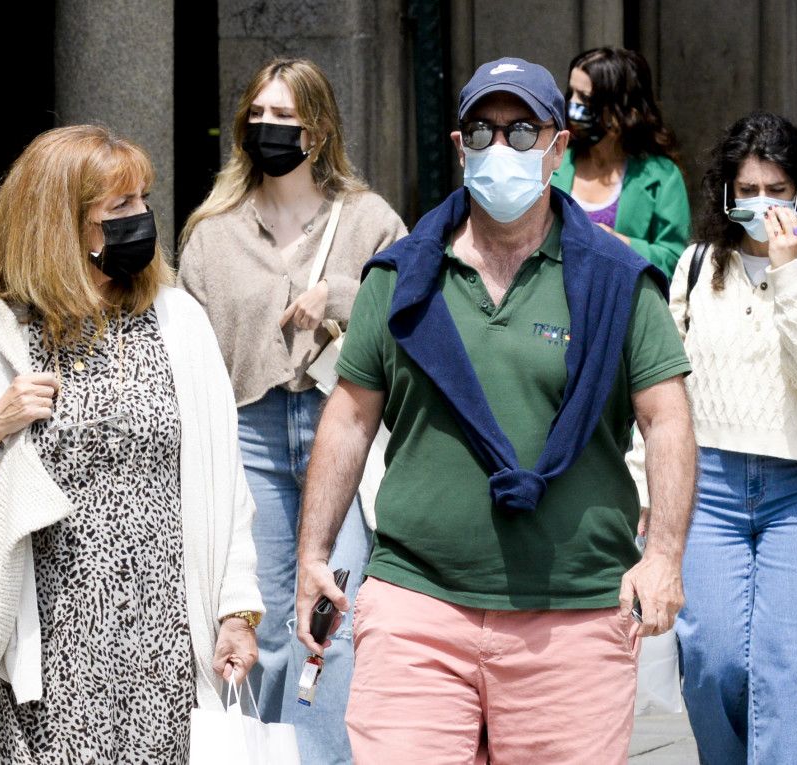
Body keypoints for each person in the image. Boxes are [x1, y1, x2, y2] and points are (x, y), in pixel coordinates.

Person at [293, 57, 695, 763]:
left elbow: (667, 417)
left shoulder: (616, 281)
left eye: (521, 131)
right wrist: (312, 556)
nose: (500, 148)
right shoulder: (402, 276)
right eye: (482, 130)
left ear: (558, 147)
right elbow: (350, 417)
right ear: (458, 146)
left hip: (571, 615)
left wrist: (662, 557)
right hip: (418, 605)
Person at [0, 125, 262, 763]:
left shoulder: (178, 320)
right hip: (56, 632)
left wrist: (235, 609)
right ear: (59, 223)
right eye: (118, 207)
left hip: (168, 634)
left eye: (143, 200)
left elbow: (225, 482)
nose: (140, 218)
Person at [177, 57, 406, 763]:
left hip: (340, 427)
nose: (270, 129)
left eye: (287, 118)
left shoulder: (369, 219)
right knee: (266, 624)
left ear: (319, 129)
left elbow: (412, 310)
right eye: (260, 116)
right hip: (249, 434)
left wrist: (338, 295)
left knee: (332, 616)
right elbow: (189, 349)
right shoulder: (212, 233)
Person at [668, 111, 797, 764]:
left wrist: (788, 271)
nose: (761, 204)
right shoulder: (695, 268)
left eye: (776, 189)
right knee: (712, 659)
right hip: (709, 487)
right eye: (747, 190)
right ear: (726, 193)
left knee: (787, 671)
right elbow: (664, 391)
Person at [550, 46, 691, 278]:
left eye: (585, 98)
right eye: (571, 93)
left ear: (627, 111)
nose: (572, 106)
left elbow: (677, 262)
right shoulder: (553, 161)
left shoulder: (662, 176)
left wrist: (618, 243)